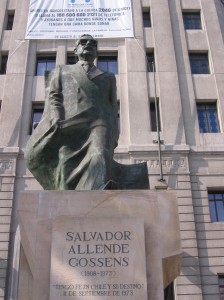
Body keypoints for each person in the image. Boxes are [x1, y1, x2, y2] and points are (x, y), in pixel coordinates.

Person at [25, 34, 119, 190]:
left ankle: (98, 187)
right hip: (70, 121)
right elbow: (54, 96)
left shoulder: (108, 77)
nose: (88, 44)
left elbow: (112, 106)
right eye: (83, 42)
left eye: (93, 43)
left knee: (99, 153)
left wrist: (115, 131)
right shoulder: (62, 70)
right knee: (65, 160)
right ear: (76, 50)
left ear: (96, 52)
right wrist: (56, 116)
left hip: (98, 122)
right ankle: (66, 196)